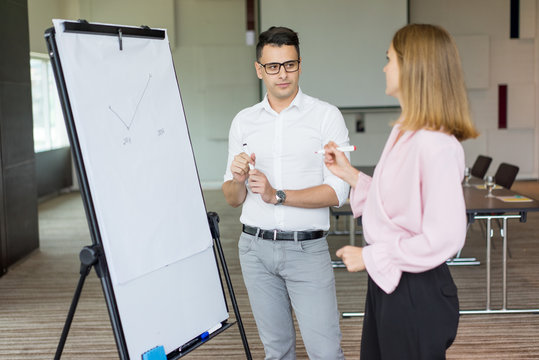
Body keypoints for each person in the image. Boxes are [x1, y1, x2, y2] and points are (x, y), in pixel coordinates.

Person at [323, 24, 479, 360]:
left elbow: (445, 238)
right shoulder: (404, 133)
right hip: (389, 282)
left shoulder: (436, 144)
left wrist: (371, 257)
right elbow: (394, 205)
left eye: (389, 59)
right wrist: (349, 174)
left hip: (416, 290)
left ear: (413, 66)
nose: (384, 67)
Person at [222, 26, 349, 360]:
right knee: (276, 352)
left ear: (300, 65)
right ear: (259, 69)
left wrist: (278, 194)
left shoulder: (325, 117)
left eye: (289, 64)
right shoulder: (244, 121)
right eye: (273, 66)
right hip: (254, 250)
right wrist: (237, 178)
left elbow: (339, 191)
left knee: (326, 352)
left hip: (306, 249)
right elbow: (233, 198)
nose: (283, 74)